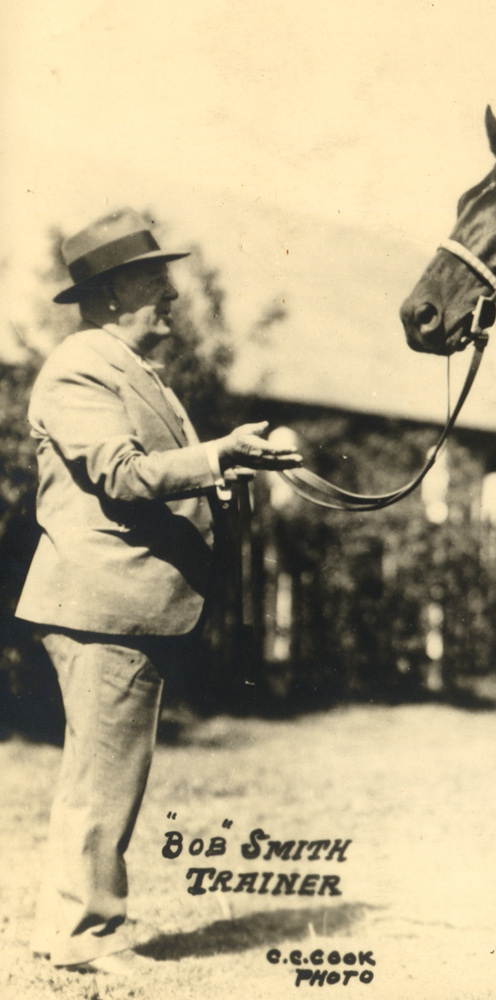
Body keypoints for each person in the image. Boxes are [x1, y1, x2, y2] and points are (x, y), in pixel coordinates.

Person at [16, 208, 302, 973]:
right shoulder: (81, 367)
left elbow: (161, 474)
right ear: (111, 294)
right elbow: (122, 472)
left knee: (101, 771)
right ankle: (83, 938)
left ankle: (70, 929)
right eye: (156, 282)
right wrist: (216, 456)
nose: (172, 296)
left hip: (121, 603)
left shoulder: (134, 372)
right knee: (105, 776)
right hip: (104, 602)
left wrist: (229, 469)